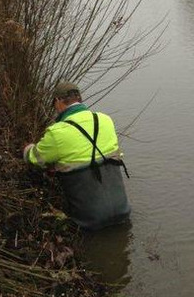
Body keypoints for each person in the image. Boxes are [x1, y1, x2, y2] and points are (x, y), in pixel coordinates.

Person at [23, 81, 131, 230]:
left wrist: (26, 148)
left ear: (58, 101)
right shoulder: (106, 120)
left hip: (89, 220)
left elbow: (35, 158)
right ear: (79, 99)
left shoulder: (57, 132)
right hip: (123, 211)